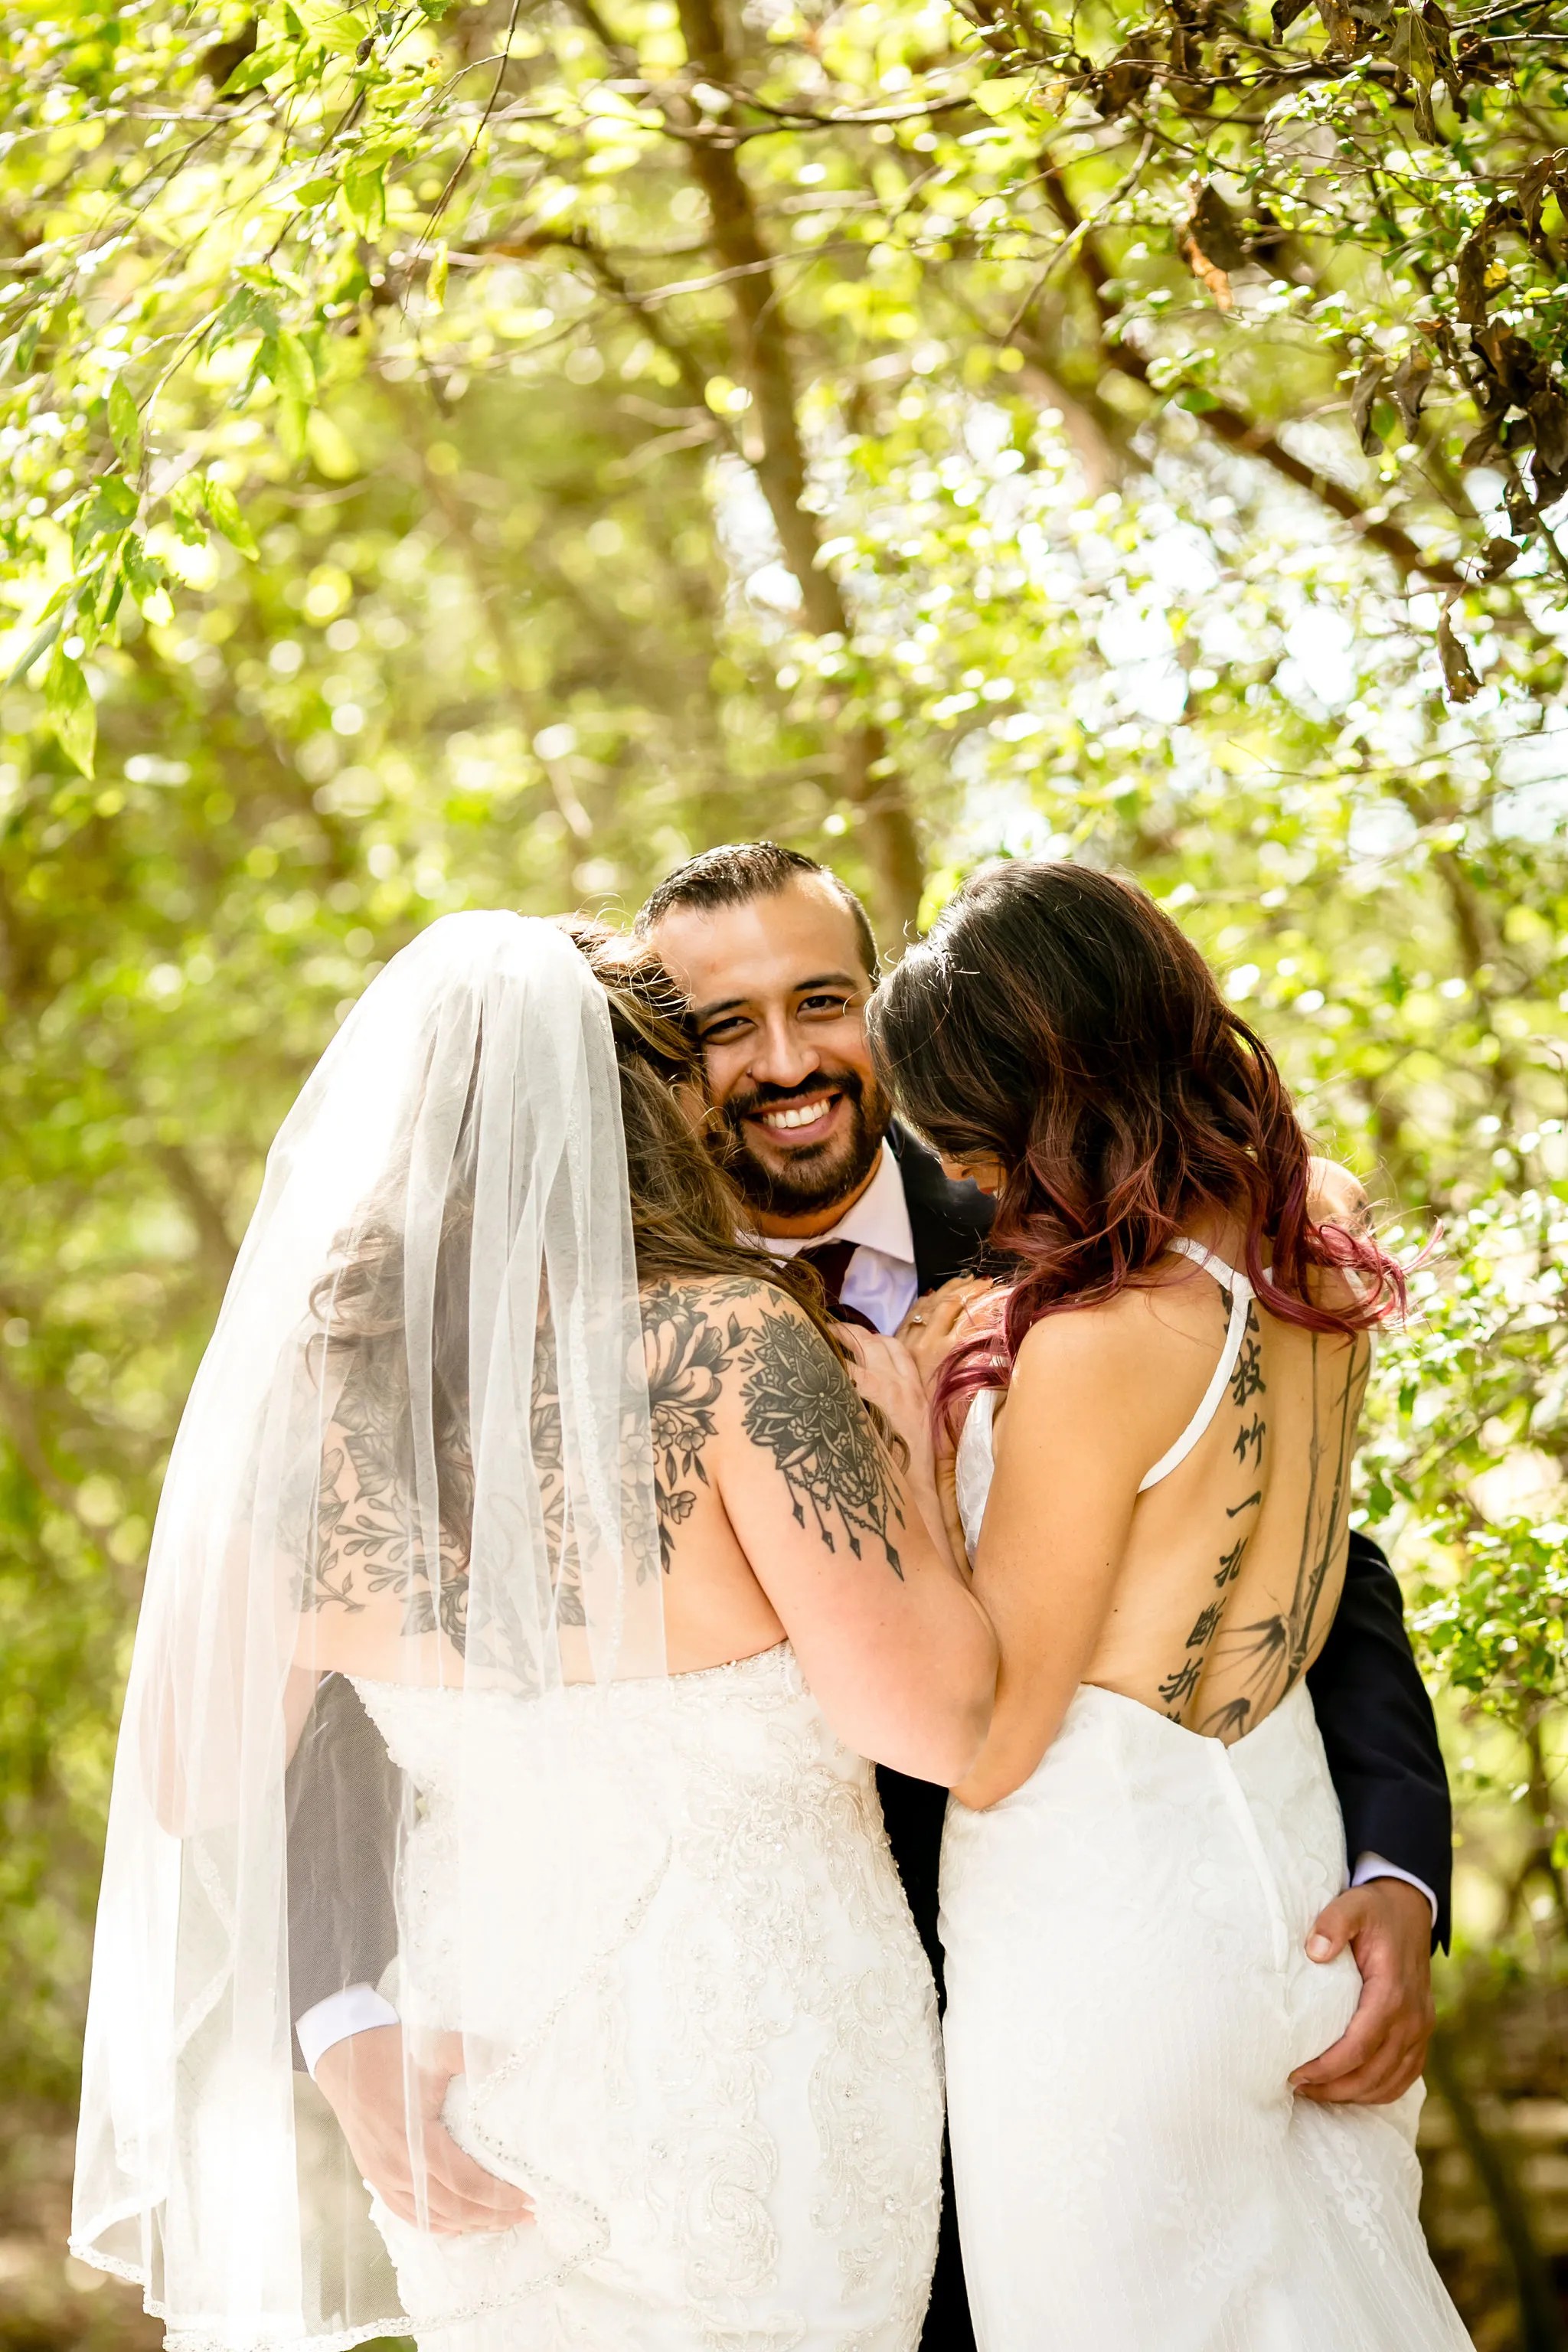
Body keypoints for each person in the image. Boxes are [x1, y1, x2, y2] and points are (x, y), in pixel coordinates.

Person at [284, 846, 1450, 2348]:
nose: (782, 1061)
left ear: (888, 1013)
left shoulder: (1066, 1238)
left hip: (1083, 1973)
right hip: (676, 2069)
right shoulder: (472, 1332)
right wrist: (340, 2015)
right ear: (650, 1065)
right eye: (723, 1025)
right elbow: (328, 1695)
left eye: (822, 1000)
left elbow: (1307, 1573)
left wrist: (1399, 1865)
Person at [71, 914, 996, 2352]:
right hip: (773, 2055)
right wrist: (914, 1483)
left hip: (477, 2062)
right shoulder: (736, 1345)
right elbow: (936, 1724)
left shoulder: (317, 1403)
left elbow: (193, 1783)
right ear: (652, 1107)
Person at [868, 858, 1470, 2348]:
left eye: (977, 1141)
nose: (978, 1187)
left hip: (1099, 1935)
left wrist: (894, 1429)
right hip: (1279, 1871)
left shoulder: (1094, 1344)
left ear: (1041, 1100)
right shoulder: (1302, 1238)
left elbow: (998, 1740)